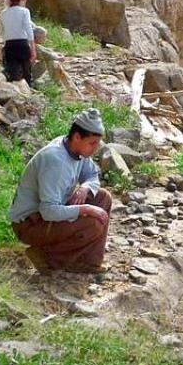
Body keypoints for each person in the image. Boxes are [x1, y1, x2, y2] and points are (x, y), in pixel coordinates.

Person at [7, 109, 112, 273]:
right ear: (77, 137)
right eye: (92, 143)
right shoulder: (55, 161)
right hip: (30, 224)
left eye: (97, 143)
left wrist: (85, 187)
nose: (96, 148)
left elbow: (92, 174)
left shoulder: (76, 150)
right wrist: (85, 209)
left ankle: (89, 262)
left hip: (49, 213)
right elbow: (48, 211)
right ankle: (46, 255)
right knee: (93, 223)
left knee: (103, 198)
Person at [0, 0, 35, 82]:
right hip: (22, 44)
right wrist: (33, 49)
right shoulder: (25, 11)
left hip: (9, 45)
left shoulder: (3, 13)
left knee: (13, 75)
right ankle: (29, 90)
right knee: (27, 72)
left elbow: (3, 32)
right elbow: (29, 29)